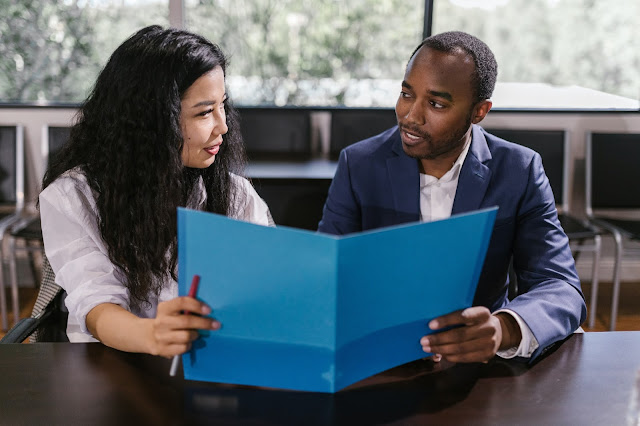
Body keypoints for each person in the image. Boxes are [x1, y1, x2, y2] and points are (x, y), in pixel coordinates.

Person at [318, 31, 586, 363]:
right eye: (406, 93)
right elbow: (327, 275)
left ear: (479, 111)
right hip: (379, 358)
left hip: (477, 368)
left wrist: (502, 329)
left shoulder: (519, 170)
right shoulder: (359, 164)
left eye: (436, 104)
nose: (411, 115)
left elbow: (560, 287)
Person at [39, 25, 273, 357]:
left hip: (209, 364)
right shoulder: (73, 197)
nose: (223, 125)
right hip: (110, 368)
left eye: (222, 105)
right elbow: (97, 306)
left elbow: (264, 286)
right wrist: (150, 335)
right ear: (150, 123)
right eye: (204, 112)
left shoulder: (234, 195)